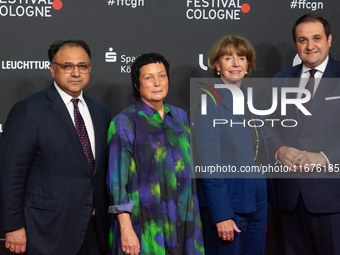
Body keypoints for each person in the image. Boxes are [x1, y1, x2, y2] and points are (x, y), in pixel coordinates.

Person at [0, 40, 111, 255]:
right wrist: (13, 226)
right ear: (52, 69)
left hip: (94, 229)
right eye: (67, 66)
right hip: (47, 230)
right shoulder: (29, 110)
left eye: (82, 66)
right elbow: (10, 173)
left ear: (90, 69)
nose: (76, 73)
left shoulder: (100, 112)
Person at [107, 53, 204, 255]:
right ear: (136, 84)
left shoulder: (180, 117)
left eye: (162, 76)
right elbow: (116, 184)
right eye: (149, 78)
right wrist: (126, 230)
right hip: (145, 225)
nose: (157, 83)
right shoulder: (124, 122)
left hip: (184, 224)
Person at [263, 13, 340, 254]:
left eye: (316, 38)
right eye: (302, 40)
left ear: (329, 40)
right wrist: (280, 150)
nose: (310, 46)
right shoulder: (282, 79)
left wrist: (325, 157)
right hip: (290, 200)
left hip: (333, 199)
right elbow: (264, 124)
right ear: (296, 44)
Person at [194, 35, 274, 254]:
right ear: (217, 65)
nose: (236, 63)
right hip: (229, 205)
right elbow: (208, 164)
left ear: (248, 64)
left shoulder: (250, 99)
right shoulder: (208, 102)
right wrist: (222, 215)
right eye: (228, 58)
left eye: (241, 57)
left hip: (257, 200)